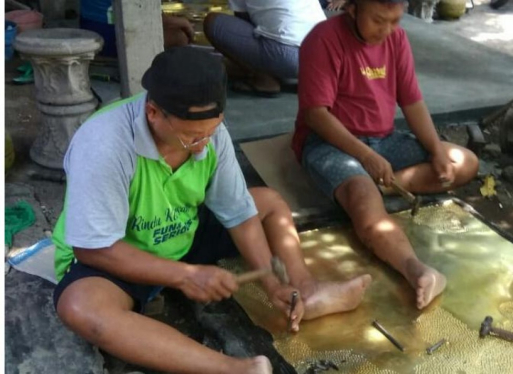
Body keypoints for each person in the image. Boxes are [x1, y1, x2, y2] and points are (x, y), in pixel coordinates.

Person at [52, 47, 371, 374]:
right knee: (81, 307)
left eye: (211, 131)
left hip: (181, 230)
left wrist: (272, 282)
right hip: (123, 253)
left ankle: (303, 292)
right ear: (152, 113)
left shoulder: (207, 133)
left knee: (270, 203)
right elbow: (94, 248)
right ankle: (234, 368)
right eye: (191, 138)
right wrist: (185, 276)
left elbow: (239, 213)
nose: (203, 145)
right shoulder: (103, 144)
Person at [292, 0, 479, 310]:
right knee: (367, 209)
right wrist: (365, 157)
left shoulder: (397, 39)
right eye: (379, 20)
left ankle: (373, 187)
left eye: (395, 20)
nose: (388, 30)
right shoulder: (322, 39)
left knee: (464, 162)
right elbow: (315, 115)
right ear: (352, 8)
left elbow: (412, 102)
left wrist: (436, 151)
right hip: (330, 143)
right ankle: (416, 269)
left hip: (384, 140)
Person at [203, 0, 325, 97]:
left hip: (286, 56)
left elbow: (243, 19)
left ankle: (264, 79)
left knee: (212, 22)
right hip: (323, 55)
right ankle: (308, 79)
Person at [80, 0, 194, 57]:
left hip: (88, 27)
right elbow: (146, 15)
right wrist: (183, 23)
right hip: (107, 34)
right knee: (179, 37)